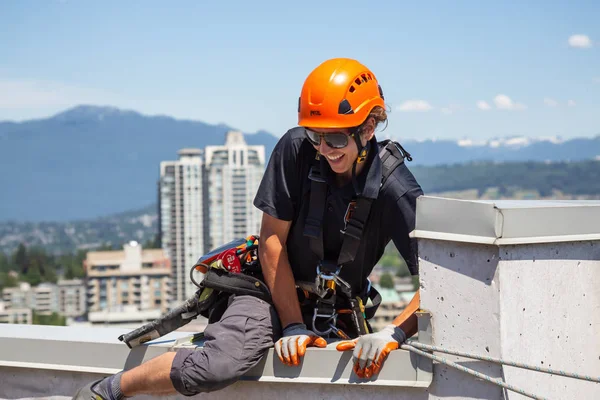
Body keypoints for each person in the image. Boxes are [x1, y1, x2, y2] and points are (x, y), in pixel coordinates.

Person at [72, 57, 423, 399]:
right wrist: (292, 324)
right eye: (316, 136)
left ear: (368, 128)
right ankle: (106, 391)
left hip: (337, 306)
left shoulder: (395, 189)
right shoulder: (297, 150)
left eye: (335, 140)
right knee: (219, 365)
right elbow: (272, 240)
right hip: (269, 290)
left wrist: (395, 333)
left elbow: (439, 281)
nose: (325, 149)